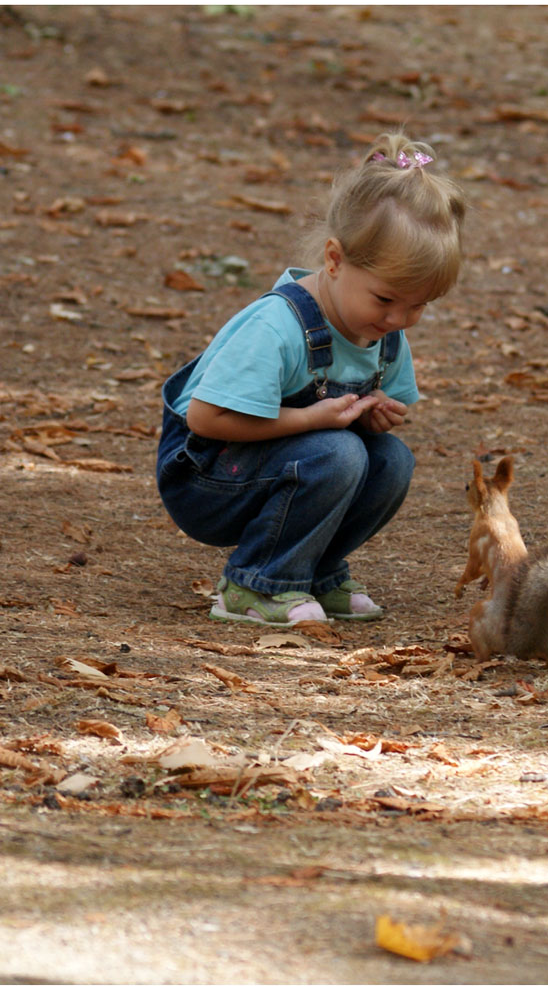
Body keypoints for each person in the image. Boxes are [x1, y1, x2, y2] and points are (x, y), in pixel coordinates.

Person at [156, 133, 466, 627]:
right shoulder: (277, 327)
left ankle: (313, 571)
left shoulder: (382, 334)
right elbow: (205, 418)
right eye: (385, 300)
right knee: (337, 454)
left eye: (418, 305)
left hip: (283, 463)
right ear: (334, 260)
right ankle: (256, 582)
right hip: (207, 476)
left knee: (391, 461)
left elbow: (350, 436)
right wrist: (312, 420)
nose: (398, 319)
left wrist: (372, 416)